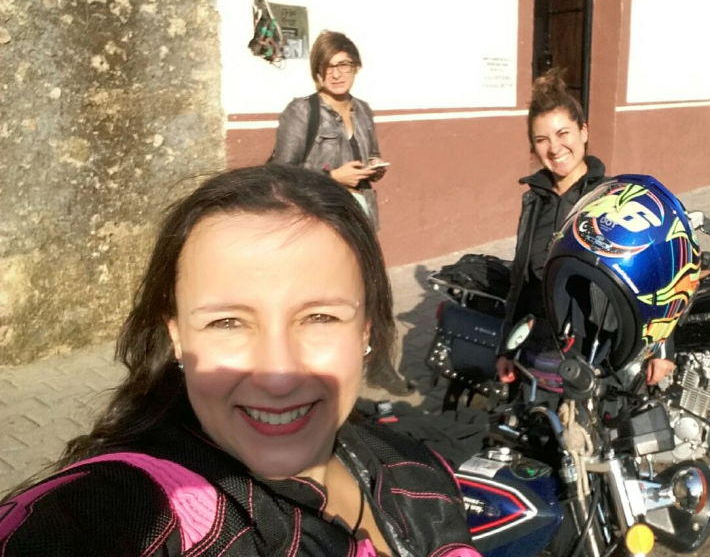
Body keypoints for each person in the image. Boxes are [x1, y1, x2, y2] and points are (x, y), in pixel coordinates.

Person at [0, 165, 479, 557]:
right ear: (178, 336)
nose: (276, 374)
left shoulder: (421, 472)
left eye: (319, 317)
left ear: (365, 331)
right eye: (227, 322)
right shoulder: (124, 512)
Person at [496, 70, 675, 388]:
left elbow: (659, 274)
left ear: (583, 131)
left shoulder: (613, 198)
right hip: (538, 350)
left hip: (595, 353)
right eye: (542, 140)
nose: (554, 148)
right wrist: (506, 347)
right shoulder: (534, 201)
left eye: (563, 133)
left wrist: (661, 347)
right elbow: (520, 281)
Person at [271, 29, 412, 396]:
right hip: (319, 220)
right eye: (329, 66)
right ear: (318, 71)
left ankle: (379, 367)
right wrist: (332, 177)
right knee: (322, 298)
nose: (337, 73)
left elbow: (370, 152)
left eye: (344, 64)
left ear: (356, 66)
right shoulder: (302, 111)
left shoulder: (363, 110)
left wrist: (373, 167)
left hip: (360, 215)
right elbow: (281, 171)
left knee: (374, 293)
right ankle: (313, 372)